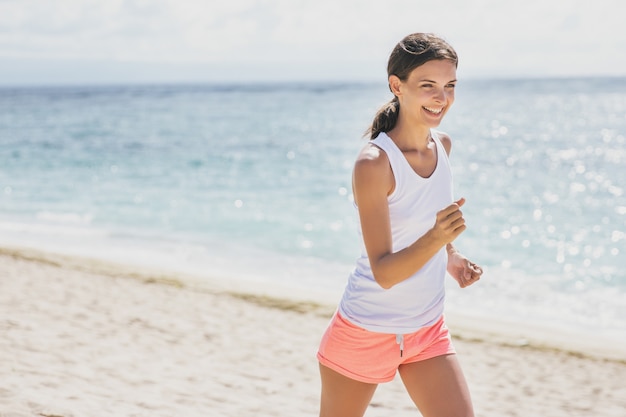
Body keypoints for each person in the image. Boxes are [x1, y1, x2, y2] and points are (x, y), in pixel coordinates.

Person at [317, 33, 483, 417]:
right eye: (428, 86)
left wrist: (451, 255)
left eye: (450, 86)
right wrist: (438, 236)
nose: (441, 98)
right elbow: (385, 272)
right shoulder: (374, 163)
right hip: (364, 330)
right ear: (397, 85)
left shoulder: (443, 145)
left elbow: (428, 221)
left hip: (427, 329)